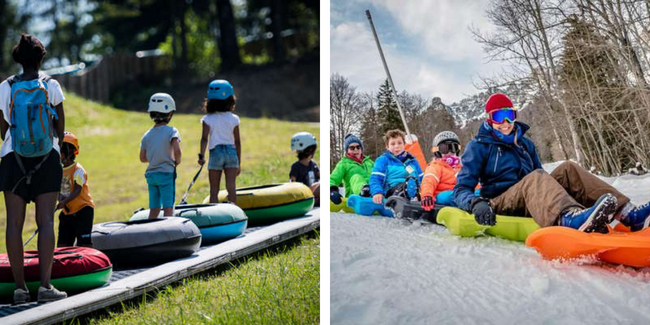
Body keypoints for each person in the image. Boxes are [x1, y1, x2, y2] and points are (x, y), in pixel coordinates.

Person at [454, 93, 650, 233]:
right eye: (498, 116)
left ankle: (627, 214)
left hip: (530, 196)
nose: (505, 122)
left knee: (567, 168)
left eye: (510, 115)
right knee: (535, 178)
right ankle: (569, 217)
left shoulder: (525, 144)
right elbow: (461, 188)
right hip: (500, 201)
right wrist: (475, 203)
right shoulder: (478, 146)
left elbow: (542, 177)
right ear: (489, 119)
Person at [0, 33, 67, 303]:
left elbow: (2, 128)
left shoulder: (5, 86)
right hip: (46, 158)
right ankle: (45, 287)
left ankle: (19, 289)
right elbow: (60, 127)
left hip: (12, 158)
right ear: (41, 58)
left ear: (19, 58)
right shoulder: (51, 85)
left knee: (14, 223)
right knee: (46, 221)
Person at [198, 80, 241, 204]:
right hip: (231, 153)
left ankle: (214, 216)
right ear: (230, 100)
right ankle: (235, 213)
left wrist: (201, 156)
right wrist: (239, 162)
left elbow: (204, 139)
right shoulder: (234, 119)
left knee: (214, 190)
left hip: (216, 153)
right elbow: (237, 142)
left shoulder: (207, 119)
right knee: (231, 187)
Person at [140, 93, 181, 219]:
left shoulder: (146, 135)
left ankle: (151, 232)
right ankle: (168, 232)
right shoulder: (172, 131)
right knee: (168, 207)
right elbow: (177, 151)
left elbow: (142, 158)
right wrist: (176, 161)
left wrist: (154, 158)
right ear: (169, 114)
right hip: (166, 174)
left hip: (151, 176)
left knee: (154, 208)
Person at [56, 131, 95, 247]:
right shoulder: (60, 171)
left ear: (69, 151)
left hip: (83, 211)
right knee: (63, 245)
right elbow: (64, 191)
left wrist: (64, 201)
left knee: (84, 244)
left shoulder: (78, 170)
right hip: (67, 213)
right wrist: (60, 199)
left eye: (60, 149)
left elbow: (77, 190)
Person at [370, 129, 423, 204]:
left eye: (399, 143)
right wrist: (377, 192)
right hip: (392, 190)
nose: (397, 146)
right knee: (405, 186)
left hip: (413, 189)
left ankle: (416, 199)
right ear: (387, 146)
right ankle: (408, 197)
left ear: (404, 144)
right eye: (393, 144)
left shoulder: (412, 161)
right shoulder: (383, 160)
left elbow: (422, 179)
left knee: (412, 183)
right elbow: (376, 178)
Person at [420, 131, 463, 211]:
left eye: (453, 148)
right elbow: (429, 180)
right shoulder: (436, 166)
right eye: (444, 149)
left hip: (462, 194)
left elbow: (472, 182)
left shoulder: (461, 168)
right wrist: (427, 195)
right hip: (442, 196)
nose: (449, 152)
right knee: (448, 196)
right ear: (437, 152)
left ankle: (483, 204)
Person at [329, 134, 374, 204]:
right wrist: (331, 190)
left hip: (375, 194)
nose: (356, 150)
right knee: (356, 177)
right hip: (355, 197)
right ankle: (364, 192)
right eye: (352, 148)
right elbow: (332, 179)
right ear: (347, 150)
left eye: (358, 147)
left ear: (361, 149)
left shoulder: (370, 162)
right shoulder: (343, 164)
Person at [290, 132, 320, 204]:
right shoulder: (296, 167)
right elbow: (292, 184)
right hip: (304, 195)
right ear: (310, 149)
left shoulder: (313, 164)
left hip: (315, 194)